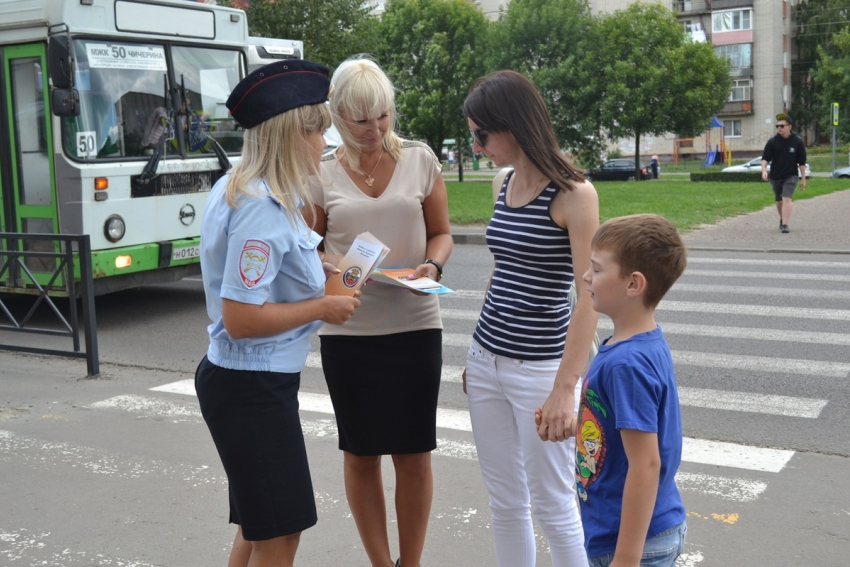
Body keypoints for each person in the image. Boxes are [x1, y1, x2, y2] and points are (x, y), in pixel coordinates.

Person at [195, 60, 361, 567]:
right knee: (281, 534)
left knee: (258, 525)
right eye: (319, 130)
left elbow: (282, 254)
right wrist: (323, 306)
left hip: (248, 382)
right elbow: (242, 318)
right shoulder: (261, 208)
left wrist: (324, 261)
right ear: (292, 134)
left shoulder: (249, 190)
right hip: (252, 387)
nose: (326, 142)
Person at [306, 56, 452, 567]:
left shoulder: (420, 158)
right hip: (349, 331)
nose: (375, 129)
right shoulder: (320, 169)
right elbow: (307, 243)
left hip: (414, 325)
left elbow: (442, 232)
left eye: (384, 115)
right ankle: (381, 563)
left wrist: (431, 267)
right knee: (361, 452)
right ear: (337, 114)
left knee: (414, 453)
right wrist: (330, 264)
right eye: (361, 119)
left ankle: (410, 564)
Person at [461, 69, 600, 567]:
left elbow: (590, 298)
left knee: (553, 501)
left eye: (481, 134)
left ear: (513, 125)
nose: (477, 147)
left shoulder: (574, 194)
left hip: (540, 370)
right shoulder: (502, 183)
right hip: (487, 359)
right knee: (505, 501)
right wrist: (476, 360)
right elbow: (502, 273)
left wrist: (567, 387)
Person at [573, 214, 688, 567]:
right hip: (633, 531)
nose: (585, 277)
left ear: (634, 284)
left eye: (597, 269)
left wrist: (626, 558)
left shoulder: (627, 363)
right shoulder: (637, 343)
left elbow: (646, 463)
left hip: (632, 541)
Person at [762, 112, 807, 233]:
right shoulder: (772, 141)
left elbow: (802, 162)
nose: (779, 128)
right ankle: (782, 219)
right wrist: (764, 170)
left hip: (791, 175)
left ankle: (785, 225)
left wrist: (803, 179)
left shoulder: (797, 141)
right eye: (778, 126)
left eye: (782, 126)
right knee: (779, 200)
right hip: (776, 176)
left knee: (786, 198)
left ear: (789, 127)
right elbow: (765, 158)